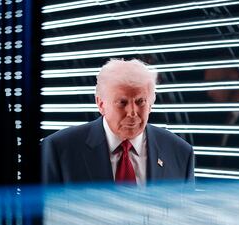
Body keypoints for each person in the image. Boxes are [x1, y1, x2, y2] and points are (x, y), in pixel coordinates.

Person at [41, 58, 194, 185]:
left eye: (140, 102)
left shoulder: (180, 153)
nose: (132, 112)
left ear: (151, 104)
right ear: (101, 104)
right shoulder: (59, 149)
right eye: (122, 102)